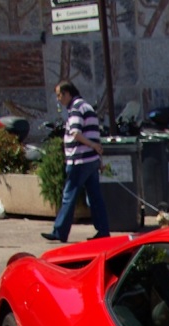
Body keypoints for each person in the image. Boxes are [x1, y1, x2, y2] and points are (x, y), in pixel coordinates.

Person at [43, 81, 110, 242]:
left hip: (79, 160)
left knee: (69, 195)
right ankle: (103, 231)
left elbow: (75, 133)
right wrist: (97, 157)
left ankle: (59, 231)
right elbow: (94, 135)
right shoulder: (88, 107)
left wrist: (92, 145)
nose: (58, 99)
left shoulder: (75, 109)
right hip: (91, 160)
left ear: (68, 94)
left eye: (60, 95)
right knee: (95, 197)